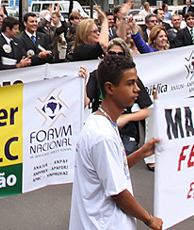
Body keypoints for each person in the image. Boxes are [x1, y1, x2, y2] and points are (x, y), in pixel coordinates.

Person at [69, 53, 162, 230]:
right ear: (110, 88)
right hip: (102, 224)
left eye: (136, 82)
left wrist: (141, 153)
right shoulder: (102, 135)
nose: (137, 89)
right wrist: (149, 219)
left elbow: (111, 171)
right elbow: (118, 193)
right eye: (130, 83)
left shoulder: (103, 124)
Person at [84, 39, 152, 155]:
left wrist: (127, 118)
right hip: (101, 130)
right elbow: (85, 102)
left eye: (120, 54)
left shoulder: (130, 76)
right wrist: (82, 82)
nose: (115, 57)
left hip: (125, 134)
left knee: (121, 169)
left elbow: (149, 109)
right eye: (111, 53)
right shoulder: (97, 75)